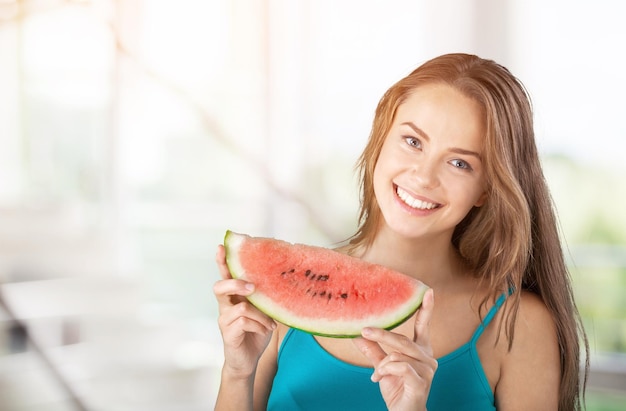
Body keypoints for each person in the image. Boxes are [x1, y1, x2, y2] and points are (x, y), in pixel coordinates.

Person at [213, 53, 588, 410]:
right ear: (380, 139)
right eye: (412, 142)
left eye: (460, 163)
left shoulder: (519, 323)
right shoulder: (287, 291)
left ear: (486, 189)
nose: (423, 177)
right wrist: (236, 372)